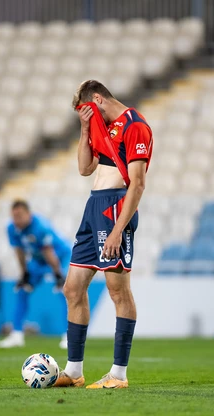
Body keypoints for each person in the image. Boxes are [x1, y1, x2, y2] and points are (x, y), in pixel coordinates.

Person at [54, 80, 152, 389]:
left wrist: (118, 230)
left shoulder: (135, 126)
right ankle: (74, 371)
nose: (86, 117)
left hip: (115, 207)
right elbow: (85, 168)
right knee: (72, 289)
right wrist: (84, 129)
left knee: (117, 290)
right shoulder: (101, 128)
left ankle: (118, 375)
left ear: (97, 99)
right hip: (93, 206)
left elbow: (137, 184)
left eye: (86, 111)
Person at [0, 199, 72, 349]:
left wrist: (58, 275)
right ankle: (16, 334)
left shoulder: (40, 226)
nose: (16, 220)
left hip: (59, 257)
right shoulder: (12, 229)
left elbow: (48, 251)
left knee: (65, 292)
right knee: (22, 290)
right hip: (38, 260)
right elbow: (19, 251)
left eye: (20, 216)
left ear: (28, 214)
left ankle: (70, 335)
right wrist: (24, 273)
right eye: (14, 216)